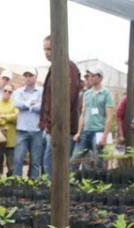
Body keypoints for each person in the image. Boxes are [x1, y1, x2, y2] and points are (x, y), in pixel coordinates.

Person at [39, 35, 82, 177]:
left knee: (52, 165)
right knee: (48, 163)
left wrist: (53, 124)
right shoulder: (55, 67)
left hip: (60, 128)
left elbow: (66, 99)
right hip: (51, 127)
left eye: (50, 49)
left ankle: (54, 197)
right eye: (45, 49)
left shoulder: (67, 67)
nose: (47, 52)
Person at [71, 66, 114, 172]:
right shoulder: (87, 94)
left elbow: (109, 116)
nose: (91, 78)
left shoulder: (106, 93)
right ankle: (73, 184)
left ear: (100, 77)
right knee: (74, 160)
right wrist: (78, 132)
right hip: (86, 131)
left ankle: (98, 184)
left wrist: (104, 136)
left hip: (99, 132)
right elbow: (83, 114)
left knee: (97, 162)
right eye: (90, 76)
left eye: (93, 75)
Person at [13, 68, 44, 178]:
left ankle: (34, 184)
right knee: (18, 159)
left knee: (36, 161)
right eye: (26, 76)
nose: (28, 78)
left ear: (35, 77)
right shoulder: (18, 91)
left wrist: (25, 104)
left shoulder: (42, 91)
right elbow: (16, 104)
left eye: (30, 75)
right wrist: (31, 103)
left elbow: (43, 107)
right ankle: (16, 183)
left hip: (37, 130)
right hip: (22, 129)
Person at [0, 85, 18, 179]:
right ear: (2, 91)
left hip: (11, 138)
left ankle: (10, 178)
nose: (7, 93)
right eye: (5, 91)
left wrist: (4, 117)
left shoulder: (14, 104)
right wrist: (6, 119)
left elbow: (16, 117)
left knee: (11, 163)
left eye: (10, 92)